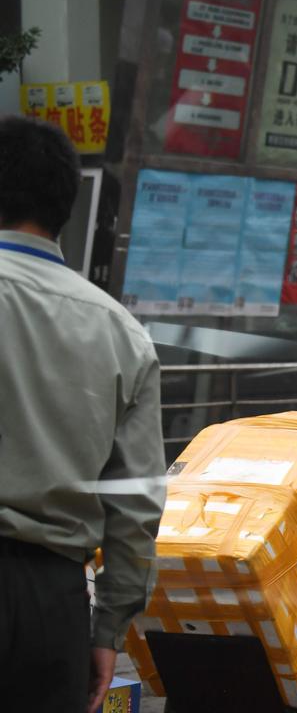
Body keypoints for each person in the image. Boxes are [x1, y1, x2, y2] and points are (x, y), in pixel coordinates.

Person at [0, 117, 167, 711]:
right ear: (67, 206)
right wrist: (107, 630)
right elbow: (138, 499)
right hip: (54, 604)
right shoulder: (120, 330)